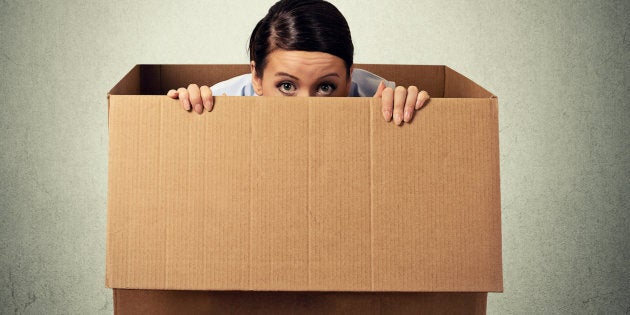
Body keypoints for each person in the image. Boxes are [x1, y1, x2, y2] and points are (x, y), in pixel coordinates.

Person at [167, 0, 429, 125]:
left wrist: (410, 112)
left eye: (325, 87)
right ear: (256, 78)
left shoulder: (377, 97)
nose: (307, 108)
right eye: (287, 86)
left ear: (349, 78)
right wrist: (185, 112)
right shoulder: (220, 101)